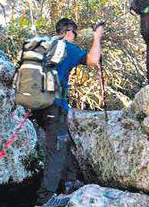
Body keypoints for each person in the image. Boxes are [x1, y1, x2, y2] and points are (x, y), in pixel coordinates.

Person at [35, 18, 104, 206]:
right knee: (55, 150)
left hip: (39, 106)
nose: (75, 37)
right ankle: (45, 199)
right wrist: (97, 37)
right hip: (54, 106)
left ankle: (71, 183)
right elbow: (92, 60)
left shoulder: (43, 46)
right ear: (68, 32)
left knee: (63, 142)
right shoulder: (66, 47)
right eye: (75, 34)